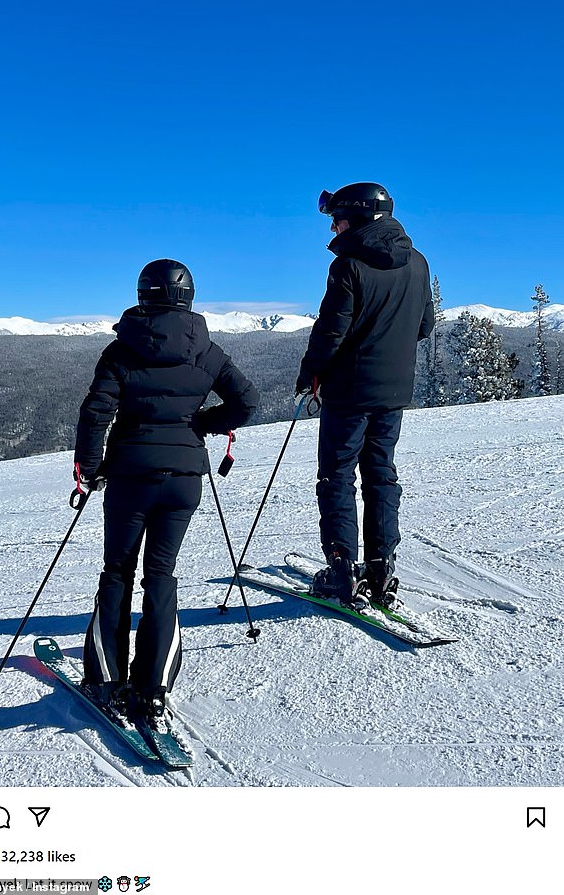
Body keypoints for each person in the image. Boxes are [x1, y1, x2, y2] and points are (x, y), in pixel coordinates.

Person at [74, 259, 259, 732]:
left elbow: (96, 412)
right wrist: (201, 425)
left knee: (117, 570)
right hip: (184, 479)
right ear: (188, 297)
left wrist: (91, 470)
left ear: (141, 295)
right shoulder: (207, 350)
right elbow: (246, 403)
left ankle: (107, 681)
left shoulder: (121, 350)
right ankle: (153, 688)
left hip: (130, 476)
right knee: (161, 573)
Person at [295, 182, 434, 608]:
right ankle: (381, 566)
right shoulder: (418, 262)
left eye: (335, 219)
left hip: (348, 393)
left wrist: (309, 375)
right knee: (381, 474)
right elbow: (425, 327)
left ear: (353, 218)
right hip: (394, 393)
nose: (332, 229)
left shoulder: (348, 266)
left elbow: (330, 331)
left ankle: (341, 570)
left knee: (337, 475)